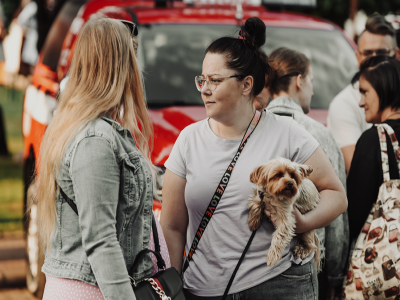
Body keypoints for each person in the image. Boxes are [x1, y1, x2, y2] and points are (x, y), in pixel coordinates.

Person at [161, 17, 347, 300]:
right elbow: (173, 225)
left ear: (246, 84)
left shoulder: (286, 132)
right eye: (202, 80)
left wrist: (302, 222)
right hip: (201, 289)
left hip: (279, 284)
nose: (205, 89)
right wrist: (172, 290)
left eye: (215, 80)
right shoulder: (188, 139)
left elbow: (337, 195)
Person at [36, 18, 157, 300]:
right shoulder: (95, 140)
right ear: (118, 66)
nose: (137, 70)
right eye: (132, 56)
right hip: (92, 291)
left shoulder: (98, 131)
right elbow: (101, 240)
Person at [266, 47, 349, 300]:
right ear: (299, 81)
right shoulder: (320, 134)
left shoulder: (253, 128)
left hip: (257, 265)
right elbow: (336, 216)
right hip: (308, 261)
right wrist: (335, 275)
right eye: (311, 81)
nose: (312, 90)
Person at [328, 14, 400, 176]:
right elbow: (359, 171)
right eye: (368, 53)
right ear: (358, 56)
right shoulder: (344, 104)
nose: (374, 60)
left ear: (396, 54)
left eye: (382, 53)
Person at [347, 56, 400, 243]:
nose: (361, 102)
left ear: (383, 88)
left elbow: (354, 214)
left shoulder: (375, 140)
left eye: (365, 92)